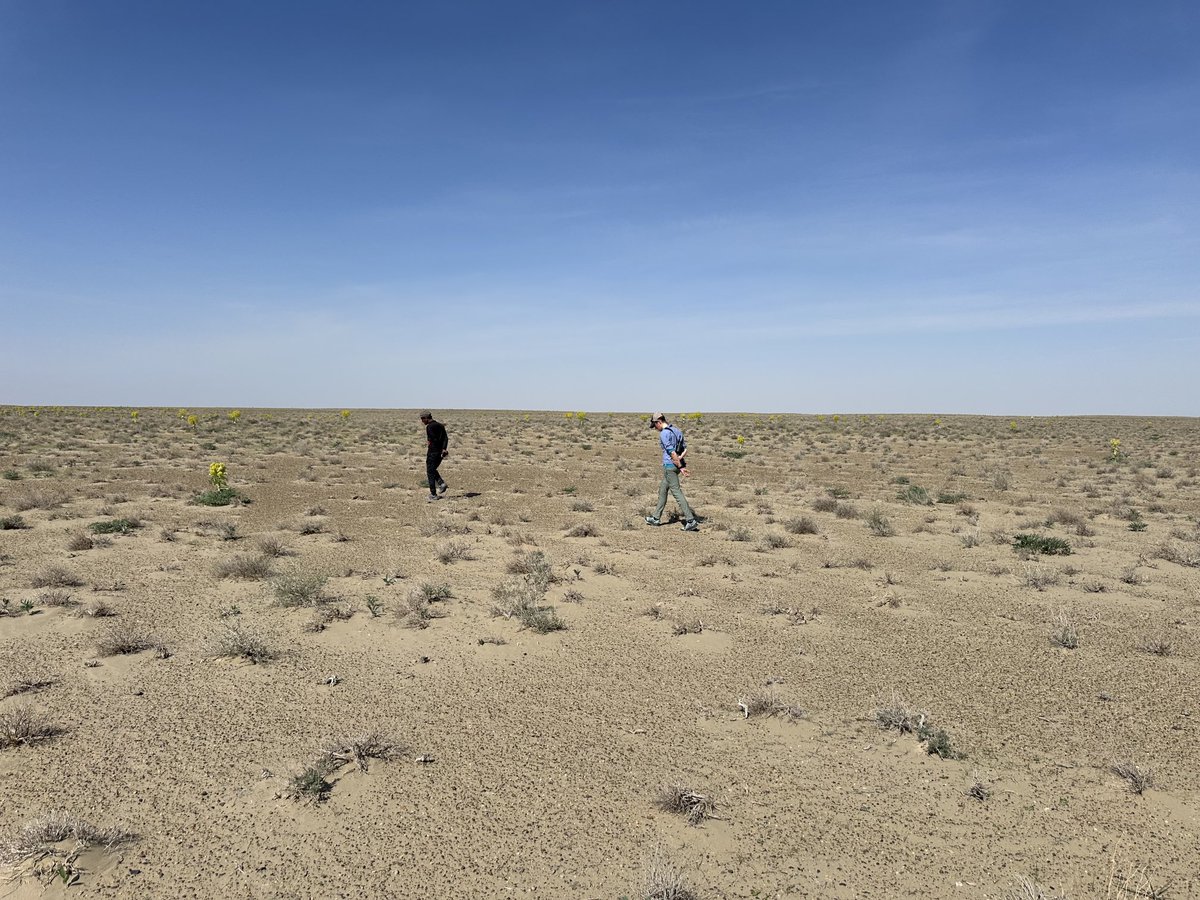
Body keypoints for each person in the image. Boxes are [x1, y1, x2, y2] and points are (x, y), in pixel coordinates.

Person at [645, 412, 699, 531]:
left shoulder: (664, 434)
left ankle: (690, 520)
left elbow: (671, 452)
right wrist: (680, 461)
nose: (655, 428)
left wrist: (679, 466)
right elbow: (685, 449)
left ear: (659, 421)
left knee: (676, 492)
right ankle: (655, 517)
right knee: (663, 489)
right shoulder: (676, 431)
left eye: (655, 425)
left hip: (670, 466)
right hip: (675, 464)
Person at [419, 411, 449, 501]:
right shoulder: (440, 425)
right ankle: (441, 483)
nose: (422, 421)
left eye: (422, 419)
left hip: (433, 452)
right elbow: (445, 438)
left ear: (425, 418)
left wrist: (431, 444)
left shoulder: (429, 427)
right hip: (441, 452)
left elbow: (433, 440)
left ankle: (433, 494)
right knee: (432, 470)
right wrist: (444, 449)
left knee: (430, 472)